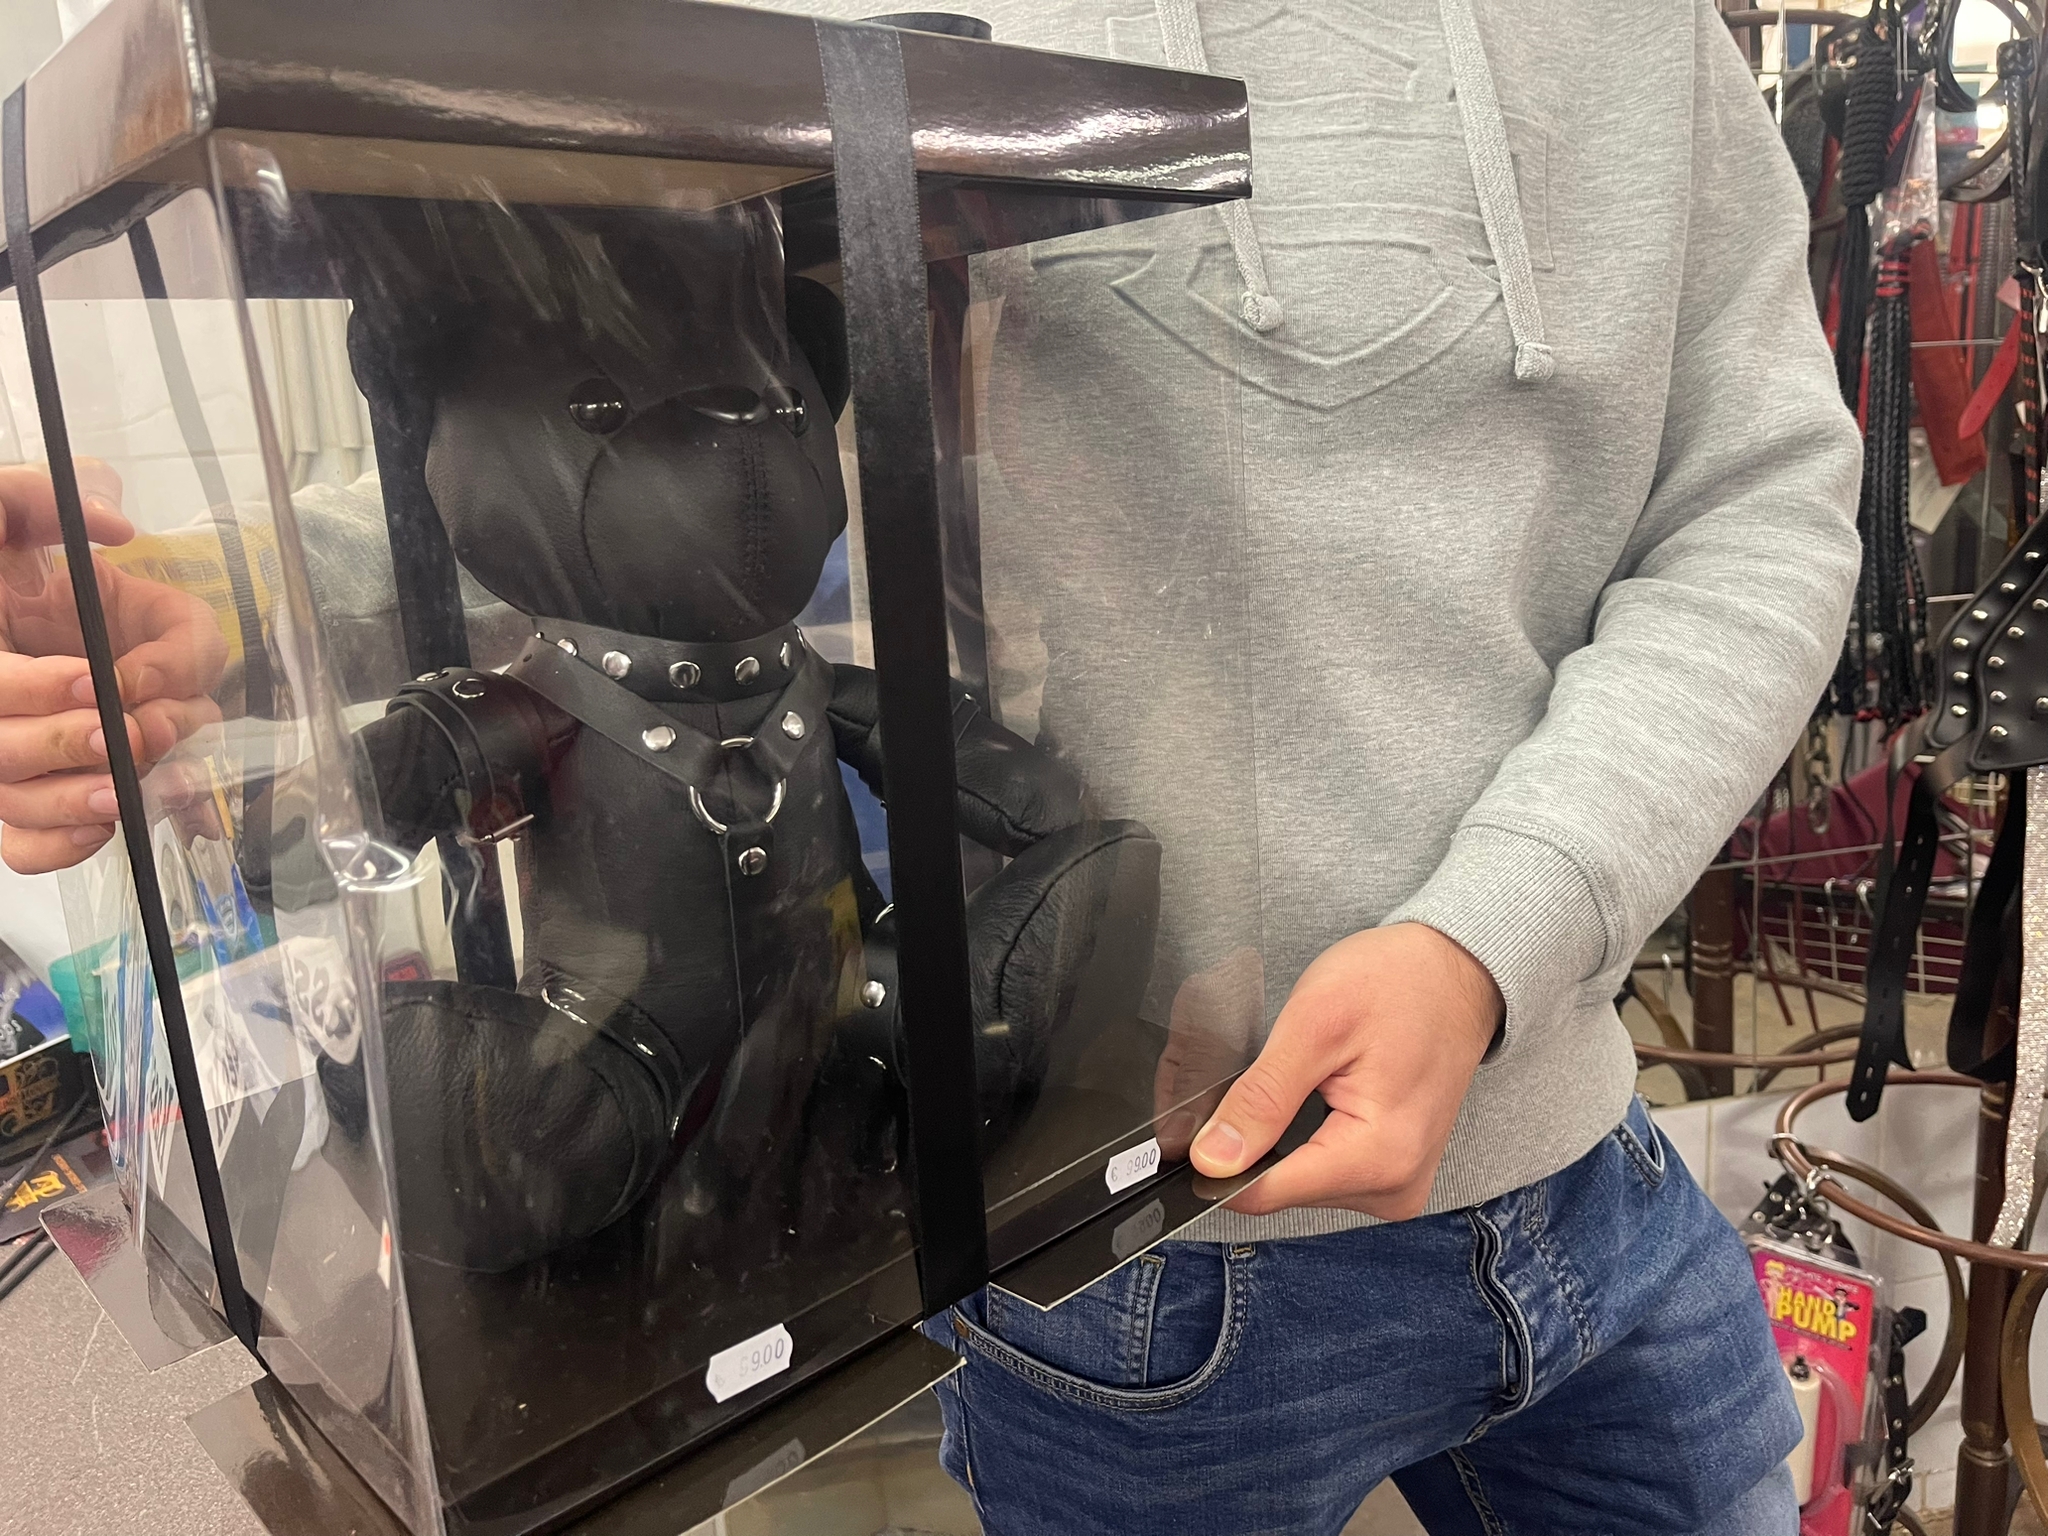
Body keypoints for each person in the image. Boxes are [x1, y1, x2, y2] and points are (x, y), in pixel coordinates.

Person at [0, 0, 1860, 1531]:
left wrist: (1503, 932)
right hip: (1135, 1236)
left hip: (1587, 1149)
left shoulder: (1644, 40)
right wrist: (186, 630)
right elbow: (557, 422)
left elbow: (1762, 501)